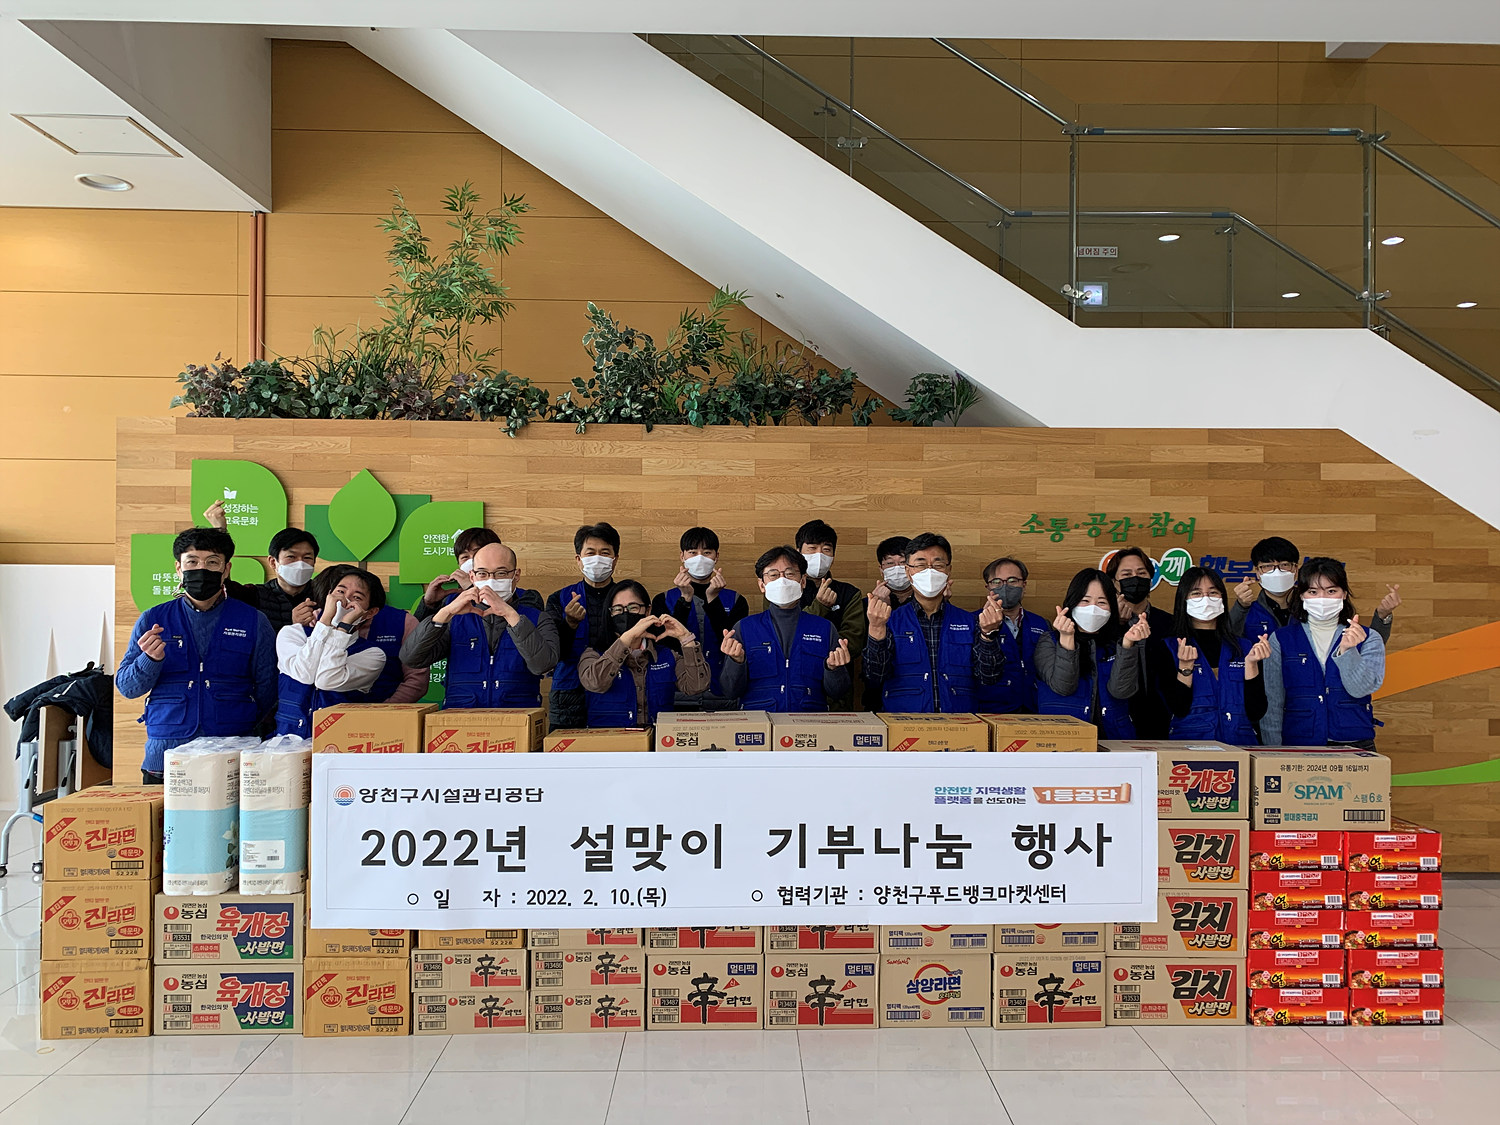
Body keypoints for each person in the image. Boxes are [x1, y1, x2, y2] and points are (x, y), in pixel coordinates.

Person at [117, 527, 278, 783]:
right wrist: (149, 660)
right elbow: (127, 688)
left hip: (232, 750)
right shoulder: (154, 619)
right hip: (166, 754)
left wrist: (239, 715)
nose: (201, 569)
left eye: (212, 562)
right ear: (178, 568)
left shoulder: (253, 621)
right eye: (192, 562)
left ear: (226, 569)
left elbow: (268, 686)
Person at [399, 542, 561, 708]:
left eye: (501, 573)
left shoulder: (537, 618)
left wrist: (511, 616)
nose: (491, 580)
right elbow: (411, 658)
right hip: (460, 716)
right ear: (472, 577)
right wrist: (444, 613)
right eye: (482, 573)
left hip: (517, 716)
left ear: (516, 575)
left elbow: (543, 665)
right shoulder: (455, 618)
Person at [273, 564, 429, 737]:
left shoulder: (373, 654)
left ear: (370, 612)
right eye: (340, 592)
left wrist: (343, 628)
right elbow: (304, 674)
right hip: (287, 740)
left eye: (357, 597)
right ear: (328, 595)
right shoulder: (292, 633)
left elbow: (326, 680)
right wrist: (325, 621)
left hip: (343, 740)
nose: (345, 600)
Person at [863, 533, 1004, 712]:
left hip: (960, 721)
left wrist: (988, 635)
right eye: (921, 565)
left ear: (948, 570)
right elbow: (875, 676)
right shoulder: (890, 620)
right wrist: (876, 629)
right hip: (904, 721)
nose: (929, 572)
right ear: (908, 572)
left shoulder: (970, 622)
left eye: (937, 565)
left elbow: (990, 677)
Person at [1260, 557, 1386, 748]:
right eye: (1313, 592)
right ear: (1301, 595)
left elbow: (1361, 689)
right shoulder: (1280, 639)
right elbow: (1273, 700)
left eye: (1331, 591)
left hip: (1354, 743)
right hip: (1300, 742)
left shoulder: (1369, 637)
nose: (1322, 598)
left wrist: (1348, 651)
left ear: (1344, 594)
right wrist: (1273, 749)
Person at [721, 546, 851, 711]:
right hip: (760, 721)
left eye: (790, 574)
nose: (782, 580)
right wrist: (736, 662)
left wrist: (833, 669)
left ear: (803, 581)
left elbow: (839, 692)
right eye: (773, 575)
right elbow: (730, 691)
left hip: (809, 720)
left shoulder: (824, 628)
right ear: (762, 584)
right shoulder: (744, 628)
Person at [1148, 567, 1269, 744]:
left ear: (1222, 599)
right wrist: (1185, 669)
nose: (1206, 599)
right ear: (1184, 600)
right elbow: (1177, 708)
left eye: (1213, 593)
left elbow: (1256, 712)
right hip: (1190, 748)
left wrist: (1251, 666)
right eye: (1196, 593)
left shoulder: (1244, 648)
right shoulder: (1169, 647)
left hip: (1240, 745)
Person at [1034, 567, 1148, 737]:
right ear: (1072, 603)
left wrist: (1127, 645)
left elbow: (1121, 691)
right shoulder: (1049, 640)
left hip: (1113, 738)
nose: (1093, 608)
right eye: (1085, 600)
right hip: (1064, 738)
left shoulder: (1117, 642)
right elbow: (1063, 686)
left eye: (1102, 602)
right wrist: (1067, 639)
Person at [580, 581, 711, 726]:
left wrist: (686, 638)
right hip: (610, 739)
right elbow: (595, 683)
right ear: (609, 613)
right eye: (617, 609)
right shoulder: (593, 654)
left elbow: (697, 686)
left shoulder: (667, 656)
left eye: (633, 607)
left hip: (657, 738)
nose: (625, 613)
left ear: (647, 611)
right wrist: (626, 640)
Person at [1230, 536, 1398, 645]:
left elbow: (1367, 645)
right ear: (1257, 572)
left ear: (1295, 569)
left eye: (1284, 565)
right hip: (1261, 687)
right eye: (1267, 566)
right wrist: (1241, 607)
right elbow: (1227, 643)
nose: (1277, 571)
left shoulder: (1319, 604)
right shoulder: (1246, 611)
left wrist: (1383, 616)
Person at [651, 527, 749, 707]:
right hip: (677, 692)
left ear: (716, 557)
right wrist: (684, 600)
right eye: (692, 552)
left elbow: (733, 643)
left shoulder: (736, 600)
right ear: (682, 556)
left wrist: (713, 601)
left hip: (722, 693)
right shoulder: (663, 600)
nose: (700, 558)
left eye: (707, 552)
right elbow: (665, 646)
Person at [547, 523, 623, 729]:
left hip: (616, 686)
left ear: (615, 559)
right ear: (579, 559)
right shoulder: (558, 598)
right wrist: (569, 624)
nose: (597, 559)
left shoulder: (628, 597)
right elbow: (552, 654)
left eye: (605, 553)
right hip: (569, 693)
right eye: (590, 553)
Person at [205, 501, 320, 633]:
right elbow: (222, 589)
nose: (300, 564)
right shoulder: (254, 595)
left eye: (307, 558)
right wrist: (220, 532)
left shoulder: (325, 594)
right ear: (273, 562)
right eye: (291, 557)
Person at [1105, 546, 1174, 738]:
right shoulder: (1103, 625)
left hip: (1163, 724)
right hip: (1115, 721)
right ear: (1114, 582)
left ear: (1151, 579)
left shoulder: (1170, 623)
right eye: (1126, 574)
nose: (1135, 579)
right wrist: (1116, 624)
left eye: (1141, 573)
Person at [972, 556, 1051, 715]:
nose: (1005, 586)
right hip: (990, 711)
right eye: (997, 582)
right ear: (988, 588)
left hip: (1033, 710)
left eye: (1012, 580)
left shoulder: (1041, 624)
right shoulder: (973, 621)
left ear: (1024, 585)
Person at [413, 527, 544, 622]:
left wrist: (472, 587)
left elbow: (527, 629)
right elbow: (416, 641)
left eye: (477, 554)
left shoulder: (529, 597)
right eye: (465, 557)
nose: (471, 562)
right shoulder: (452, 601)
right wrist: (429, 604)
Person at [790, 520, 868, 680]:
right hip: (794, 675)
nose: (819, 555)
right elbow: (784, 635)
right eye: (812, 548)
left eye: (826, 549)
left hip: (836, 678)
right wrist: (819, 606)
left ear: (833, 556)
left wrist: (810, 647)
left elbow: (853, 642)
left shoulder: (849, 593)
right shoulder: (784, 589)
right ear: (798, 552)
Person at [861, 536, 912, 710]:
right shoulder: (866, 604)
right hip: (877, 693)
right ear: (881, 570)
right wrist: (878, 607)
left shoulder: (925, 603)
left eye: (903, 562)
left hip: (913, 686)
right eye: (890, 563)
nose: (897, 568)